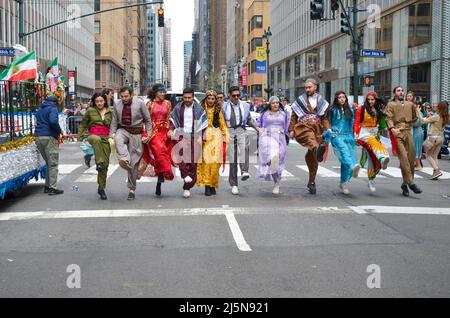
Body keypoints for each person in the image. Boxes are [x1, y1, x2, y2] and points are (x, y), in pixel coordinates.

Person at [289, 78, 330, 195]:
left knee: (312, 158)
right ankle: (317, 149)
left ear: (315, 87)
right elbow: (293, 116)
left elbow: (325, 118)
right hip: (304, 126)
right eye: (306, 88)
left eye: (309, 87)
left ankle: (312, 181)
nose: (307, 89)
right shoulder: (300, 100)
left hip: (317, 128)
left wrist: (329, 129)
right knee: (310, 139)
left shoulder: (322, 101)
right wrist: (291, 129)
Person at [110, 86, 152, 200]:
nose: (124, 98)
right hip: (123, 130)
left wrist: (148, 134)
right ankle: (124, 158)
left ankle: (132, 189)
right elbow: (114, 121)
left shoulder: (140, 103)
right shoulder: (116, 104)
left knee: (133, 165)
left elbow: (148, 119)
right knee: (118, 138)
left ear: (131, 95)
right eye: (122, 96)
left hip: (136, 133)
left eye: (126, 96)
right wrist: (111, 134)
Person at [169, 87, 208, 198]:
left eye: (189, 97)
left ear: (192, 97)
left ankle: (187, 187)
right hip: (181, 136)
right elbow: (173, 121)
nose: (187, 99)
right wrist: (171, 130)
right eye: (185, 97)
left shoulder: (199, 109)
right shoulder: (178, 108)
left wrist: (201, 136)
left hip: (194, 137)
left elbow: (204, 124)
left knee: (193, 165)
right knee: (181, 158)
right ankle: (185, 175)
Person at [222, 86, 260, 195]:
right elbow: (221, 121)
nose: (236, 97)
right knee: (232, 159)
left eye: (238, 95)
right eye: (234, 95)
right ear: (229, 95)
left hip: (241, 130)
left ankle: (244, 171)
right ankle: (234, 184)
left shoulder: (245, 106)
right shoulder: (224, 106)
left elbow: (249, 119)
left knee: (244, 149)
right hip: (229, 131)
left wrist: (257, 128)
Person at [386, 86, 422, 197]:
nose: (401, 92)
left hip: (408, 132)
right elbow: (388, 118)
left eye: (402, 90)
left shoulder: (410, 104)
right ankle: (411, 182)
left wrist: (410, 123)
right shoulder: (390, 104)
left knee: (411, 159)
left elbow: (415, 118)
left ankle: (404, 184)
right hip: (397, 132)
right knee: (403, 158)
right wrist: (392, 129)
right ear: (394, 93)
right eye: (398, 90)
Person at [141, 84, 175, 196]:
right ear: (155, 93)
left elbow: (169, 118)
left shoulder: (168, 103)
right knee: (160, 151)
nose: (163, 94)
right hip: (153, 133)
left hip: (164, 132)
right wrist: (145, 134)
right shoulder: (149, 104)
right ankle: (166, 172)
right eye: (161, 92)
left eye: (164, 92)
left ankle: (159, 180)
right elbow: (145, 120)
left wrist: (170, 130)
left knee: (162, 155)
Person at [78, 93, 113, 200]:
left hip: (105, 138)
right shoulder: (90, 111)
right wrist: (79, 138)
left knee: (105, 166)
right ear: (94, 101)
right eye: (97, 101)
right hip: (93, 136)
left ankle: (101, 188)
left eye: (101, 101)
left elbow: (113, 125)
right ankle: (99, 162)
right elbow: (83, 124)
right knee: (96, 140)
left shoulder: (110, 111)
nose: (99, 103)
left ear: (105, 101)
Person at [354, 91, 390, 192]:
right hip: (364, 135)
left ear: (375, 100)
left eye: (372, 99)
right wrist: (356, 133)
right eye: (368, 99)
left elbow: (383, 125)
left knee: (373, 159)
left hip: (375, 135)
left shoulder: (378, 110)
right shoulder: (361, 109)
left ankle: (371, 180)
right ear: (366, 100)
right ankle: (383, 157)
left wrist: (389, 129)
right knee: (374, 145)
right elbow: (356, 123)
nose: (370, 101)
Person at [197, 90, 229, 196]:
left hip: (216, 138)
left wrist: (225, 137)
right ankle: (207, 185)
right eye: (209, 98)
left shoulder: (218, 111)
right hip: (205, 138)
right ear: (206, 99)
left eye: (213, 99)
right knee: (206, 162)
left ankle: (213, 184)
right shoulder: (201, 110)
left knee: (215, 162)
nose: (210, 101)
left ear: (215, 100)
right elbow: (196, 125)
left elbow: (223, 125)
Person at [327, 91, 360, 195]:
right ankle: (352, 166)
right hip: (336, 136)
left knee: (349, 160)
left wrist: (355, 134)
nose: (342, 99)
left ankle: (343, 182)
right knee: (344, 152)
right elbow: (328, 122)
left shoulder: (350, 110)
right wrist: (329, 132)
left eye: (343, 97)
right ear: (336, 99)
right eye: (339, 97)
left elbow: (353, 123)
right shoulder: (332, 110)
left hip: (348, 136)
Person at [256, 96, 289, 195]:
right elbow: (258, 124)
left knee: (278, 162)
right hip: (268, 138)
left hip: (280, 138)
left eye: (277, 103)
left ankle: (276, 183)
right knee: (272, 158)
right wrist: (259, 130)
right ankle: (275, 179)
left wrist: (291, 134)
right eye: (273, 103)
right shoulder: (264, 114)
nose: (275, 104)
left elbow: (287, 127)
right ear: (269, 105)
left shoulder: (284, 114)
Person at [34, 96, 64, 195]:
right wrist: (59, 131)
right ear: (55, 103)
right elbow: (53, 121)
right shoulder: (53, 109)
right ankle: (52, 187)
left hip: (38, 137)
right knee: (53, 164)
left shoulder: (39, 110)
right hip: (49, 136)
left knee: (48, 162)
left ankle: (47, 186)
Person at [417, 100, 449, 180]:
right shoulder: (446, 116)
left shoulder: (436, 116)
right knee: (435, 156)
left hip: (433, 137)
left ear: (440, 108)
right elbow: (434, 120)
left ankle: (437, 170)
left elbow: (422, 121)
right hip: (441, 137)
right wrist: (430, 116)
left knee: (428, 155)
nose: (436, 107)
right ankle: (435, 174)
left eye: (437, 106)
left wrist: (418, 112)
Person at [408, 92, 424, 171]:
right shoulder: (418, 113)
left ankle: (418, 165)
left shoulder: (418, 113)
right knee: (417, 148)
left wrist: (409, 122)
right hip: (417, 132)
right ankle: (416, 164)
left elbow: (416, 124)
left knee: (416, 149)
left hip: (417, 132)